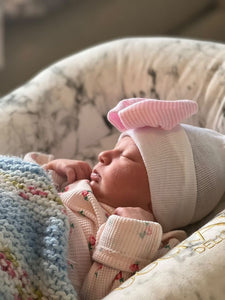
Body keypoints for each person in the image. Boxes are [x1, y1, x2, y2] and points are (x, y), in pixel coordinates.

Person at [24, 98, 225, 300]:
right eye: (114, 148)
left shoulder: (145, 239)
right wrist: (52, 168)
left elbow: (96, 294)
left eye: (126, 156)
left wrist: (128, 232)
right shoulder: (77, 181)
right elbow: (22, 185)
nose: (103, 154)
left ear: (158, 198)